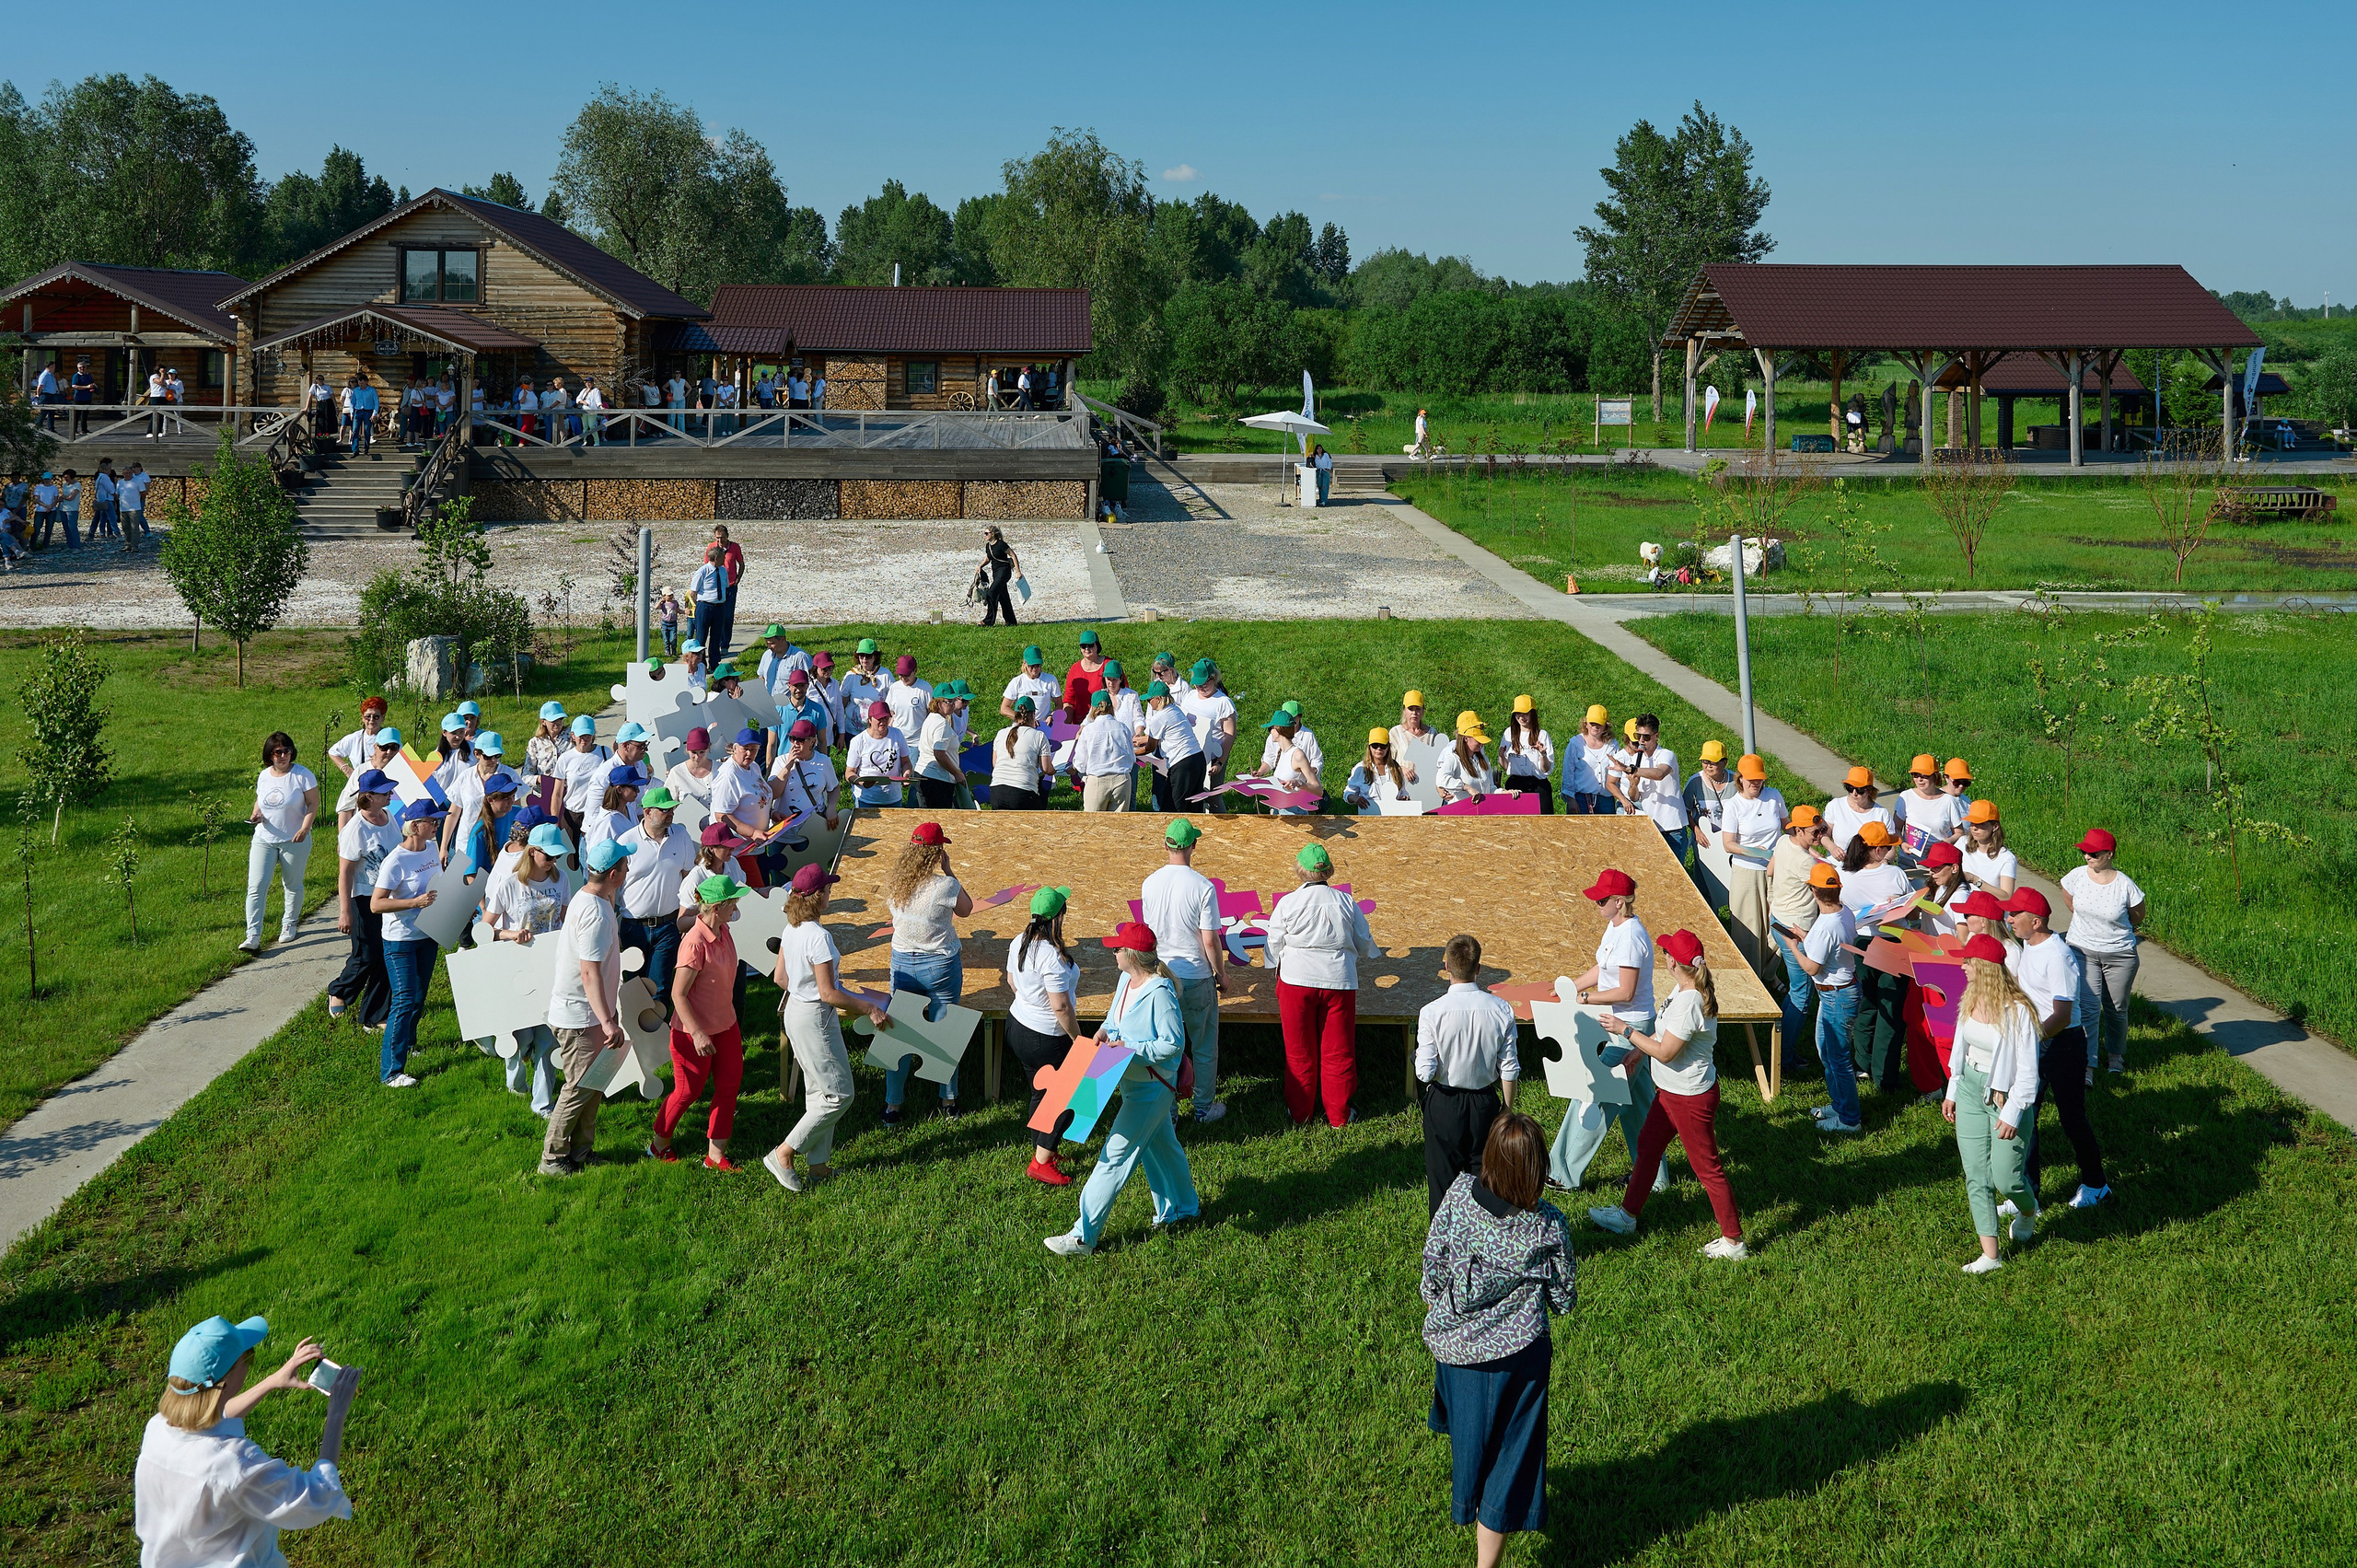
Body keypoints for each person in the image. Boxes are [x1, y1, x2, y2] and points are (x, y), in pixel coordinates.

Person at [1421, 1112, 1573, 1562]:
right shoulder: (1548, 1224)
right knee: (1510, 1456)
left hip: (1454, 1350)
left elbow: (1433, 1268)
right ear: (1536, 1169)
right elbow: (1564, 1298)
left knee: (1473, 1439)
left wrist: (1444, 1304)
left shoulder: (1457, 1197)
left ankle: (1467, 1459)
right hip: (1520, 1362)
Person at [134, 1316, 359, 1564]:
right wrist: (336, 1414)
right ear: (227, 1381)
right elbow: (317, 1496)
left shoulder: (156, 1429)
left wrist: (273, 1381)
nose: (250, 1362)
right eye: (248, 1356)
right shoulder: (235, 1463)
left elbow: (216, 1415)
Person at [1586, 929, 1747, 1259]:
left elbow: (1667, 1052)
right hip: (1671, 1093)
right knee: (1647, 1148)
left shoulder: (1689, 1002)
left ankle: (1734, 1241)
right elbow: (1662, 1039)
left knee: (1707, 1169)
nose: (1663, 957)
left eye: (1665, 953)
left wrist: (1625, 1031)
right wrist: (1637, 1053)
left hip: (1688, 1098)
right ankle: (1627, 1217)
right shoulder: (1684, 988)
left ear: (1673, 962)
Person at [1043, 922, 1202, 1256]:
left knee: (1113, 1158)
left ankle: (1082, 1236)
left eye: (1117, 948)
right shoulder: (1125, 981)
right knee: (1164, 1149)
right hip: (1129, 1082)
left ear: (1131, 954)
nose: (1113, 952)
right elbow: (1115, 1020)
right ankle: (1183, 1210)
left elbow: (1172, 1044)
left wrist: (1129, 1048)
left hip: (1151, 1089)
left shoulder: (1160, 993)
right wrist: (1103, 1032)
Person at [760, 863, 889, 1192]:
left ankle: (818, 1168)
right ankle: (784, 1153)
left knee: (819, 1092)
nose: (831, 893)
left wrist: (805, 988)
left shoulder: (792, 928)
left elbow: (780, 978)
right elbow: (829, 993)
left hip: (795, 1014)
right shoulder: (819, 937)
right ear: (818, 897)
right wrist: (869, 1007)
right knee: (840, 1095)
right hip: (816, 1018)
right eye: (828, 889)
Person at [1547, 868, 1666, 1188]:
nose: (1595, 904)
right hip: (1624, 1025)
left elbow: (1625, 991)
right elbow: (1603, 968)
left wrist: (1585, 999)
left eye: (1601, 900)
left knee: (1593, 1096)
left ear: (1618, 902)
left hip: (1627, 1028)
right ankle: (1654, 1178)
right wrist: (1570, 987)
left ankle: (1562, 1174)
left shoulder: (1630, 937)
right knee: (1637, 1107)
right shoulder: (1616, 929)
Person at [1942, 934, 2044, 1273]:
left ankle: (2028, 1212)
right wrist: (1953, 1090)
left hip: (2005, 1099)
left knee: (2007, 1179)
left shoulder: (2018, 1012)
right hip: (1971, 1090)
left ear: (1985, 968)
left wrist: (2013, 1112)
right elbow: (1961, 1048)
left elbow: (2029, 1075)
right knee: (1976, 1175)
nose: (1963, 966)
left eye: (1969, 961)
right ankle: (1991, 1256)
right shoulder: (1970, 998)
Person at [2006, 889, 2110, 1209]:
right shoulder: (2027, 944)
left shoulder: (2058, 955)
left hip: (2062, 1044)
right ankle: (2029, 1194)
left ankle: (2097, 1185)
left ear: (2036, 921)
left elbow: (2063, 1016)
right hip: (2036, 1041)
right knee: (2026, 1116)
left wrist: (2030, 1039)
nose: (2009, 919)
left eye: (2015, 915)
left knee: (2071, 1118)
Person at [1265, 842, 1379, 1128]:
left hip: (1295, 981)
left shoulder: (1288, 903)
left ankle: (1301, 1113)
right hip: (1338, 980)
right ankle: (1339, 1116)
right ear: (1328, 870)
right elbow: (1364, 943)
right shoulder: (1345, 901)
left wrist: (1274, 966)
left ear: (1299, 870)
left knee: (1298, 1050)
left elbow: (1273, 943)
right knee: (1338, 1051)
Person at [644, 874, 750, 1170]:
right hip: (693, 1034)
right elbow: (678, 995)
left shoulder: (725, 930)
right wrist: (698, 1033)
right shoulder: (693, 943)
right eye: (733, 902)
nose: (736, 906)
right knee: (687, 1092)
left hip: (726, 1025)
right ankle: (659, 1144)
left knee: (729, 1086)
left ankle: (715, 1156)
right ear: (717, 907)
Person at [538, 840, 629, 1175]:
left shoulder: (592, 898)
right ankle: (552, 1158)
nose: (628, 870)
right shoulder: (595, 913)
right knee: (578, 1088)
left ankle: (580, 1152)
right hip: (580, 1016)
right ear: (615, 874)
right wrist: (607, 1021)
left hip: (588, 1012)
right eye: (625, 866)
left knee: (593, 1085)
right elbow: (589, 972)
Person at [1417, 934, 1519, 1215]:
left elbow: (1425, 1073)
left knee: (1442, 1181)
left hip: (1444, 1102)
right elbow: (1509, 1066)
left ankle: (1443, 1243)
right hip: (1485, 1102)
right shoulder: (1501, 1009)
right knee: (1484, 1178)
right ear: (1478, 968)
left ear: (1446, 966)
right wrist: (1507, 1109)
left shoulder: (1431, 1012)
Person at [881, 822, 972, 1123]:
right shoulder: (945, 886)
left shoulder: (896, 883)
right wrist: (950, 872)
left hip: (903, 964)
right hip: (940, 966)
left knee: (899, 1035)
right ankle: (949, 1102)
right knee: (945, 1032)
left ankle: (892, 1106)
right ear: (937, 853)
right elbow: (967, 909)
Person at [1141, 818, 1227, 1120]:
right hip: (1197, 976)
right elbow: (1210, 939)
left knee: (1167, 1048)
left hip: (1162, 976)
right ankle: (1203, 1109)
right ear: (1193, 845)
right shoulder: (1203, 887)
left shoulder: (1149, 883)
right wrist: (1221, 974)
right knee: (1203, 1047)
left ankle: (1169, 1112)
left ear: (1166, 845)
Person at [1004, 885, 1085, 1185]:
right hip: (1047, 1037)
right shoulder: (1052, 956)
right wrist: (1078, 1039)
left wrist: (1029, 1000)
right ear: (1058, 916)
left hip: (1019, 1027)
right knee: (1071, 1097)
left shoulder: (1019, 941)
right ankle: (1040, 1161)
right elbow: (1061, 1006)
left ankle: (1044, 1147)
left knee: (1041, 1091)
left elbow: (1012, 981)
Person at [371, 800, 447, 1089]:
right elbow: (377, 904)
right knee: (403, 1000)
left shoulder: (430, 849)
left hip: (427, 934)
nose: (437, 826)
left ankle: (410, 1042)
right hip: (400, 941)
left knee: (418, 996)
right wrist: (413, 903)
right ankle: (391, 1072)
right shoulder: (395, 861)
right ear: (416, 826)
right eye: (432, 822)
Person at [1786, 863, 1864, 1133]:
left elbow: (1811, 968)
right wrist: (1807, 937)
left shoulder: (1824, 927)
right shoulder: (1844, 914)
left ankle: (1849, 1119)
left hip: (1837, 998)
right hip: (1839, 993)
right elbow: (1828, 946)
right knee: (1825, 1050)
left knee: (1839, 1059)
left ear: (1813, 891)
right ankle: (1840, 1104)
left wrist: (1793, 947)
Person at [1838, 820, 1914, 1093]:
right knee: (1890, 1012)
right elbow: (1911, 911)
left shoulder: (1844, 874)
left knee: (1867, 1004)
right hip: (1893, 944)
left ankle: (1861, 1065)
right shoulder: (1894, 874)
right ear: (1878, 850)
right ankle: (1885, 1078)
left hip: (1860, 944)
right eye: (1888, 847)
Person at [2061, 828, 2144, 1074]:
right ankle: (2087, 1063)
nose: (2087, 856)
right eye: (2084, 852)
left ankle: (2116, 1057)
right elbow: (2069, 898)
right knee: (2087, 1009)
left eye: (2093, 853)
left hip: (2119, 955)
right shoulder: (2076, 876)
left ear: (2109, 854)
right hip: (2082, 950)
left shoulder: (2125, 885)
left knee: (2116, 1009)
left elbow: (2137, 916)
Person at [328, 770, 401, 1029]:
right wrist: (344, 911)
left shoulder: (389, 816)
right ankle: (339, 990)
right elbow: (344, 873)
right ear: (369, 796)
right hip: (363, 899)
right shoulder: (354, 829)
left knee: (386, 954)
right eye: (385, 791)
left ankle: (375, 1013)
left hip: (388, 897)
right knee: (366, 955)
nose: (391, 793)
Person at [614, 786, 695, 1005]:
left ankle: (659, 1036)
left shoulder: (682, 835)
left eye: (672, 809)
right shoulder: (626, 842)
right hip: (633, 926)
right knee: (634, 987)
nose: (670, 813)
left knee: (660, 988)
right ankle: (635, 1038)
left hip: (668, 926)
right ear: (647, 812)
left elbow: (689, 879)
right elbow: (612, 887)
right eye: (664, 810)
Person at [243, 731, 319, 956]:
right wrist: (256, 814)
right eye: (278, 752)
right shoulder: (264, 775)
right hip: (264, 838)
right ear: (270, 755)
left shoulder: (303, 775)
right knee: (256, 887)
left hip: (294, 839)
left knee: (292, 884)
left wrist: (305, 828)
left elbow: (313, 804)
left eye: (287, 751)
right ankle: (253, 935)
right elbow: (260, 799)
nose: (283, 755)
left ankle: (289, 923)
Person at [1766, 805, 1829, 1068]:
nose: (1820, 835)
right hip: (1798, 932)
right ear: (1799, 830)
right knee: (1802, 995)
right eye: (1816, 832)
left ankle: (1779, 1039)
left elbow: (1770, 872)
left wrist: (1813, 852)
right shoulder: (1806, 863)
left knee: (1796, 988)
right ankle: (1784, 1055)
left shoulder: (1783, 842)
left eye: (1823, 830)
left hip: (1777, 921)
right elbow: (1829, 891)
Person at [1718, 755, 1786, 981]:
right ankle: (1751, 979)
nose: (1755, 784)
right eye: (1751, 779)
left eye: (1759, 779)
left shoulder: (1774, 796)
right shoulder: (1733, 805)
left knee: (1779, 922)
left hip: (1776, 869)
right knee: (1749, 927)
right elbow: (1728, 844)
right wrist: (1752, 850)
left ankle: (1769, 972)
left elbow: (1788, 827)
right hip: (1746, 871)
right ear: (1740, 779)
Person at [1617, 714, 1689, 858]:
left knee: (1675, 877)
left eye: (1646, 737)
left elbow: (1659, 773)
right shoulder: (1635, 759)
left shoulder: (1666, 755)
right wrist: (1633, 785)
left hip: (1672, 829)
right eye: (1638, 736)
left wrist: (1633, 770)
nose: (1641, 741)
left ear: (1657, 736)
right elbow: (1634, 796)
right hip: (1651, 827)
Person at [1179, 659, 1237, 803]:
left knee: (1213, 799)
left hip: (1212, 758)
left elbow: (1230, 735)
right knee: (1189, 795)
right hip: (1189, 754)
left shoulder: (1223, 702)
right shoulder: (1190, 696)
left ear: (1214, 678)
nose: (1201, 688)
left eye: (1205, 684)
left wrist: (1220, 763)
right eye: (1197, 684)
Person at [1140, 679, 1203, 812]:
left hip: (1182, 764)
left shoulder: (1159, 717)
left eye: (1149, 700)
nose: (1148, 703)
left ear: (1158, 699)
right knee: (1194, 808)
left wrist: (1130, 753)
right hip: (1198, 759)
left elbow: (1150, 747)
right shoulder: (1175, 710)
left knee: (1172, 808)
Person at [1894, 753, 1968, 858]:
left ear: (1935, 776)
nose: (1919, 779)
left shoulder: (1948, 800)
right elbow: (1896, 828)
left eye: (1925, 775)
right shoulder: (1906, 796)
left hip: (1938, 860)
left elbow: (1959, 832)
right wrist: (1902, 844)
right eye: (1915, 775)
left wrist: (1947, 842)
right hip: (1909, 859)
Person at [847, 701, 913, 809]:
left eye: (886, 718)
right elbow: (849, 773)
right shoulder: (858, 741)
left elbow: (906, 762)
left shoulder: (897, 734)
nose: (883, 722)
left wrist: (906, 774)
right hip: (866, 799)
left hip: (893, 798)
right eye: (879, 719)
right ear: (870, 719)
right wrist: (862, 782)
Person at [990, 697, 1053, 809]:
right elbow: (1046, 768)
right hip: (1023, 791)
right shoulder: (1039, 735)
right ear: (1033, 714)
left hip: (997, 791)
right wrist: (1055, 770)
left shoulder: (1000, 733)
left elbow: (995, 764)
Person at [1497, 698, 1554, 811]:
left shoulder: (1542, 735)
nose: (1522, 718)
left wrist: (1542, 754)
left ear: (1532, 714)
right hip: (1515, 785)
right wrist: (1501, 756)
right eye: (1518, 714)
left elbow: (1546, 769)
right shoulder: (1509, 733)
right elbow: (1506, 766)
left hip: (1538, 785)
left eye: (1526, 714)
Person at [1344, 729, 1420, 815]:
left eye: (1383, 746)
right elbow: (1348, 793)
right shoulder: (1361, 769)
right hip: (1370, 815)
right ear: (1369, 747)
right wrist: (1356, 799)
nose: (1379, 749)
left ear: (1388, 747)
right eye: (1375, 746)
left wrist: (1404, 798)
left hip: (1395, 816)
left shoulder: (1396, 768)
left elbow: (1403, 791)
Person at [1824, 765, 1895, 854]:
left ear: (1869, 791)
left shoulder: (1881, 813)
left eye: (1860, 790)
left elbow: (1890, 847)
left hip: (1868, 865)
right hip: (1837, 862)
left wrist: (1885, 861)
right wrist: (1832, 848)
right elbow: (1824, 834)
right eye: (1850, 788)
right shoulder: (1835, 805)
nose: (1854, 793)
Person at [1682, 741, 1738, 850]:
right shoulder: (1695, 782)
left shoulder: (1736, 781)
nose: (1708, 766)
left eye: (1713, 762)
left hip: (1732, 841)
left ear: (1724, 762)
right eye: (1705, 761)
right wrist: (1696, 831)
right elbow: (1684, 811)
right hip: (1706, 842)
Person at [1560, 704, 1613, 815]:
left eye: (1599, 724)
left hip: (1605, 799)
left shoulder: (1613, 745)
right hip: (1581, 798)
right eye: (1592, 723)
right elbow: (1568, 773)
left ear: (1605, 726)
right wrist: (1571, 799)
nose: (1595, 726)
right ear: (1586, 723)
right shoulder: (1575, 744)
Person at [1961, 801, 2018, 900]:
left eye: (1980, 824)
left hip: (1988, 910)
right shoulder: (1962, 843)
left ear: (1995, 826)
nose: (1974, 828)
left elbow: (2007, 896)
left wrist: (1975, 880)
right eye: (1972, 823)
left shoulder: (2006, 858)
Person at [1434, 711, 1494, 805]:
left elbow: (1491, 788)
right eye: (1478, 740)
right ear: (1466, 738)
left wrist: (1504, 792)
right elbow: (1441, 779)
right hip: (1460, 813)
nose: (1481, 744)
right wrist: (1466, 787)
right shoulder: (1453, 758)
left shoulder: (1484, 760)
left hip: (1482, 812)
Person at [689, 546, 727, 654]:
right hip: (705, 606)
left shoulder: (723, 571)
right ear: (716, 558)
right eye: (723, 557)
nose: (724, 559)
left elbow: (726, 586)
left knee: (716, 637)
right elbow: (693, 592)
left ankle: (714, 663)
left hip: (720, 607)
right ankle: (700, 663)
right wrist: (698, 605)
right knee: (701, 637)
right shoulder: (702, 571)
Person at [979, 526, 1021, 625]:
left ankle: (988, 621)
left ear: (992, 534)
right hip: (996, 572)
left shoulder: (1001, 544)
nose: (985, 535)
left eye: (986, 533)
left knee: (991, 593)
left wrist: (1018, 571)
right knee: (1003, 596)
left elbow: (1013, 555)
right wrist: (979, 566)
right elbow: (988, 559)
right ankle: (1011, 621)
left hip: (1004, 571)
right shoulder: (988, 546)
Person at [1389, 690, 1443, 755]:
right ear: (1404, 710)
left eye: (1418, 709)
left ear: (1423, 711)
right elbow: (1389, 761)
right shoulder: (1395, 733)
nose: (1414, 713)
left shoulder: (1432, 733)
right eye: (1410, 709)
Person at [347, 375, 378, 455]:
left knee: (367, 431)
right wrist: (351, 413)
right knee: (355, 430)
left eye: (363, 383)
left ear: (366, 382)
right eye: (360, 383)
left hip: (368, 412)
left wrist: (374, 414)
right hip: (358, 411)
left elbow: (376, 402)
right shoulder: (356, 390)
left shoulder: (372, 390)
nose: (361, 385)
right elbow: (352, 402)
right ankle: (355, 449)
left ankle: (366, 448)